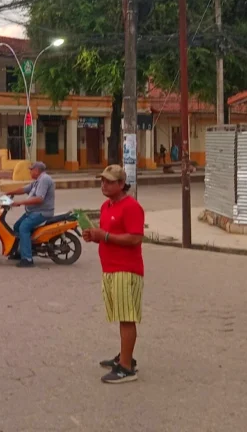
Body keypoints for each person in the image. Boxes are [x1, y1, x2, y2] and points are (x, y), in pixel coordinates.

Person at [82, 164, 145, 384]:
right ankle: (124, 356)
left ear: (121, 184)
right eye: (102, 181)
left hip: (126, 270)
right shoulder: (106, 206)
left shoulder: (131, 207)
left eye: (109, 182)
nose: (104, 185)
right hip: (109, 268)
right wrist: (95, 235)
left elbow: (135, 237)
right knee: (120, 315)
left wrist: (105, 236)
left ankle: (126, 368)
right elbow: (109, 234)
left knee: (127, 318)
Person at [5, 161, 55, 268]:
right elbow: (24, 189)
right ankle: (20, 252)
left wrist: (20, 202)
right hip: (33, 212)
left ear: (36, 170)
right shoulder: (37, 181)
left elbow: (39, 199)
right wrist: (10, 193)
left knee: (23, 228)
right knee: (17, 226)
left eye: (31, 169)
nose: (30, 171)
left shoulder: (44, 179)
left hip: (42, 212)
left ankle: (27, 258)